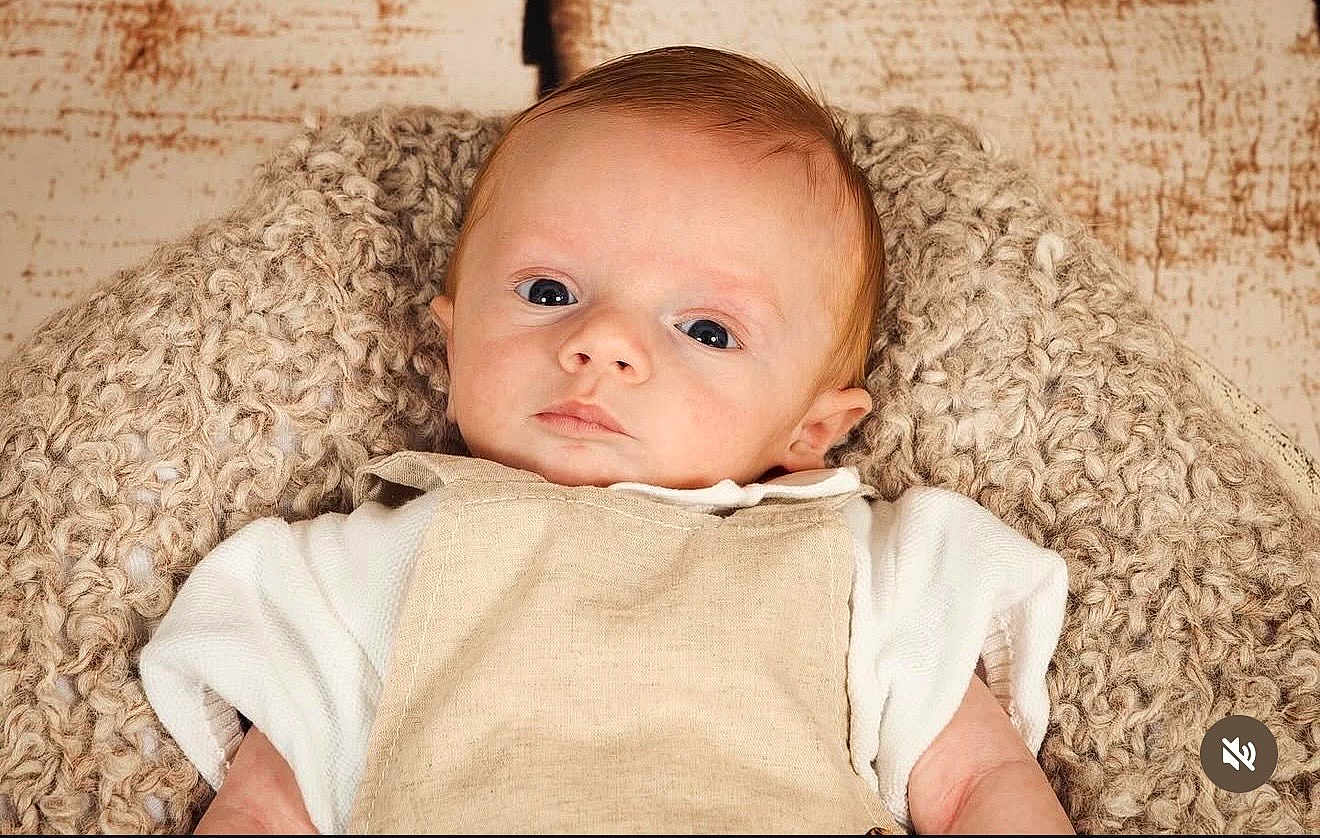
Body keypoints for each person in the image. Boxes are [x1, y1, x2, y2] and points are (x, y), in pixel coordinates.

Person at [139, 45, 1073, 834]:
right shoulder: (363, 570)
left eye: (706, 330)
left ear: (810, 430)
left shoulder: (864, 569)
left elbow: (979, 786)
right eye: (549, 293)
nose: (602, 343)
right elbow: (265, 810)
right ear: (452, 336)